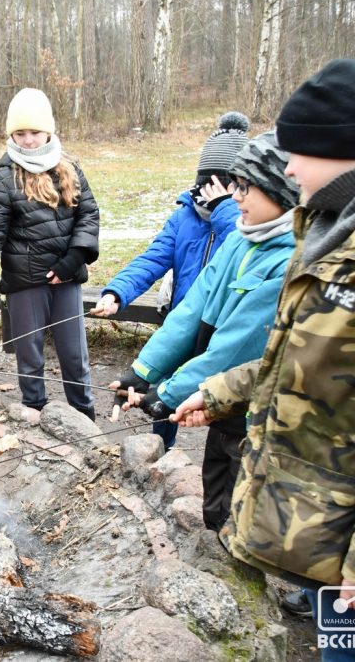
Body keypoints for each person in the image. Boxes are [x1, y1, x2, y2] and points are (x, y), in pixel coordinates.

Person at [173, 59, 355, 661]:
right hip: (327, 523)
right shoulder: (329, 231)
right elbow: (293, 356)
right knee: (339, 646)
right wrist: (217, 392)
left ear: (347, 151)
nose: (288, 166)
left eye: (299, 151)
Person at [113, 131, 298, 531]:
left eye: (245, 187)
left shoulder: (287, 261)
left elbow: (235, 347)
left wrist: (168, 393)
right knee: (217, 474)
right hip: (219, 397)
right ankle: (218, 546)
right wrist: (144, 371)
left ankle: (243, 575)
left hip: (254, 405)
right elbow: (190, 310)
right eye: (234, 186)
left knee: (243, 491)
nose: (234, 197)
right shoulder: (240, 240)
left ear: (279, 191)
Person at [91, 112, 249, 448]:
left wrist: (224, 210)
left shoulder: (245, 223)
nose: (209, 190)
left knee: (220, 406)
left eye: (222, 182)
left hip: (223, 332)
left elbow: (238, 247)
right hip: (180, 323)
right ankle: (162, 452)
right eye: (205, 179)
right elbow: (153, 258)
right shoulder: (184, 216)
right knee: (162, 397)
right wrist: (117, 292)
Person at [0, 88, 99, 419]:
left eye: (34, 132)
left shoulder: (70, 170)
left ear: (48, 131)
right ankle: (34, 413)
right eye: (19, 134)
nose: (28, 140)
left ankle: (84, 416)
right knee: (30, 355)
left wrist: (74, 258)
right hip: (25, 283)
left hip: (66, 277)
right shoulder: (3, 179)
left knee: (73, 353)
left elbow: (89, 215)